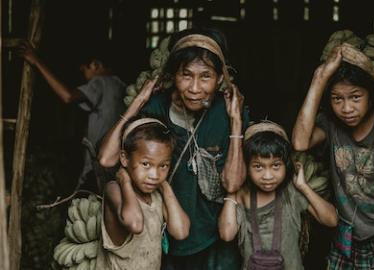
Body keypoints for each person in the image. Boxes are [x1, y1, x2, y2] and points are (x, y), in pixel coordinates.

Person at [98, 28, 249, 269]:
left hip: (215, 237)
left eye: (206, 77)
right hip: (165, 235)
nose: (195, 88)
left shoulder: (227, 112)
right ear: (173, 74)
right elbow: (107, 159)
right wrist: (139, 101)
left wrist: (236, 122)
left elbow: (232, 184)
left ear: (220, 79)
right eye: (186, 75)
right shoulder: (158, 106)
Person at [292, 44, 374, 269]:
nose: (346, 108)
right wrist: (319, 78)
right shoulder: (331, 125)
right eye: (337, 99)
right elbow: (300, 142)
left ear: (371, 96)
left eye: (355, 97)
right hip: (347, 238)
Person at [218, 121, 337, 270]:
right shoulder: (242, 195)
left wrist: (303, 187)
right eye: (258, 166)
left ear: (286, 165)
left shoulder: (291, 193)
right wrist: (232, 189)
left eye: (275, 165)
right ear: (247, 167)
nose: (268, 176)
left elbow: (331, 220)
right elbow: (227, 234)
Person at [18, 42, 126, 189]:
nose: (85, 78)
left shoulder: (100, 82)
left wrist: (36, 61)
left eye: (84, 71)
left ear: (95, 64)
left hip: (98, 169)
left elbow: (67, 96)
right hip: (115, 166)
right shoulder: (121, 86)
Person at [96, 117, 190, 269]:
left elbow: (181, 232)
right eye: (146, 164)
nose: (154, 174)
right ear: (125, 158)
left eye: (163, 166)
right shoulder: (114, 189)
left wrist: (165, 187)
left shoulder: (157, 197)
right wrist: (125, 182)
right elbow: (135, 224)